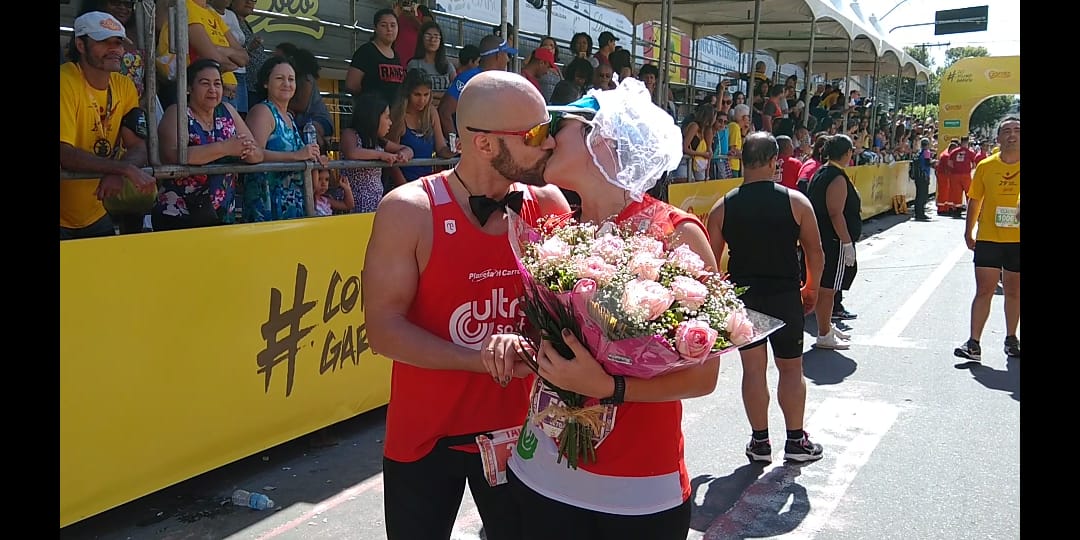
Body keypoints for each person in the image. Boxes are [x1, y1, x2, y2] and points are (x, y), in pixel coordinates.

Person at [503, 78, 718, 540]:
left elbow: (704, 377)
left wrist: (609, 386)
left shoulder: (675, 233)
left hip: (637, 490)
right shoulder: (555, 229)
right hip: (541, 471)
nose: (551, 133)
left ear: (603, 138)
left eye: (564, 124)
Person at [363, 70, 570, 540]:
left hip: (525, 429)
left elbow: (569, 311)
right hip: (428, 433)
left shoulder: (549, 204)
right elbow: (384, 329)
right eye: (536, 134)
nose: (550, 144)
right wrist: (479, 359)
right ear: (484, 144)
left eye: (549, 130)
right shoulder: (410, 210)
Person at [707, 132, 826, 464]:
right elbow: (815, 253)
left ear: (742, 161)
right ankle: (795, 441)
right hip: (786, 295)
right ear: (775, 161)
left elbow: (709, 264)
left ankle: (760, 442)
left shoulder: (722, 207)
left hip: (746, 300)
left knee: (753, 371)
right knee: (791, 370)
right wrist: (811, 288)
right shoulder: (796, 202)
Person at [60, 10, 157, 240]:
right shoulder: (65, 81)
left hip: (95, 212)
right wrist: (121, 169)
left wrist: (119, 170)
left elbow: (137, 146)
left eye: (118, 42)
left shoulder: (125, 85)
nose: (115, 49)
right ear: (81, 45)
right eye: (104, 41)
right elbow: (63, 153)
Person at [154, 59, 262, 230]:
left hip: (223, 213)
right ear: (189, 88)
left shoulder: (228, 111)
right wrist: (225, 148)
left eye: (217, 83)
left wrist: (246, 150)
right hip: (180, 213)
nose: (213, 89)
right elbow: (171, 155)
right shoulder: (177, 112)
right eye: (205, 83)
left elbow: (257, 154)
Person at [954, 117, 1021, 362]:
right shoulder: (985, 166)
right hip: (989, 238)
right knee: (984, 290)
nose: (1012, 135)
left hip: (1017, 241)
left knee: (1014, 290)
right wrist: (968, 231)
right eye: (1007, 131)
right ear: (999, 137)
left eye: (1017, 130)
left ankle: (1012, 338)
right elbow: (975, 200)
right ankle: (974, 343)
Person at [243, 56, 321, 222]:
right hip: (267, 203)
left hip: (292, 204)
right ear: (266, 83)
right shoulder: (262, 112)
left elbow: (300, 154)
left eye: (291, 79)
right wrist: (296, 156)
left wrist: (314, 157)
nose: (287, 83)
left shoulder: (289, 117)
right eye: (279, 78)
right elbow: (253, 154)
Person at [807, 134, 860, 349]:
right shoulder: (836, 177)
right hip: (833, 240)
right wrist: (846, 243)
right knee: (829, 288)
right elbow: (835, 212)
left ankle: (826, 325)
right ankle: (824, 334)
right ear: (846, 153)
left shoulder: (820, 172)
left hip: (822, 237)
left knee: (826, 286)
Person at [340, 95, 413, 211]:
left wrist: (404, 154)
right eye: (387, 117)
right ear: (373, 117)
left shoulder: (379, 141)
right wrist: (381, 155)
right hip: (352, 204)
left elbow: (407, 149)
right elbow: (352, 153)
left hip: (375, 203)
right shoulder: (350, 134)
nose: (390, 122)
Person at [438, 34, 514, 141]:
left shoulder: (502, 81)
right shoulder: (468, 78)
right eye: (507, 55)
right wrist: (457, 144)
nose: (508, 60)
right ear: (498, 55)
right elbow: (444, 111)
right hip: (474, 150)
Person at [389, 69, 455, 184]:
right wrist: (404, 187)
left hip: (427, 183)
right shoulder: (398, 116)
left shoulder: (432, 113)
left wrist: (454, 150)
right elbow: (391, 160)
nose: (422, 100)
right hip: (403, 185)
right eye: (417, 94)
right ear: (407, 93)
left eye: (426, 94)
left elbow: (441, 149)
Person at [346, 8, 406, 105]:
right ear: (376, 28)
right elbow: (352, 84)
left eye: (393, 25)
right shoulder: (366, 51)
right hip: (371, 113)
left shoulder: (396, 56)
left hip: (393, 114)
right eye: (384, 25)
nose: (389, 29)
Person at [912, 138, 934, 221]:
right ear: (927, 144)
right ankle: (921, 213)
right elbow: (927, 163)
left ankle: (917, 212)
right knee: (923, 195)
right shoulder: (927, 152)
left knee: (918, 195)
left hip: (918, 176)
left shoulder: (919, 152)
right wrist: (934, 162)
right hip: (924, 175)